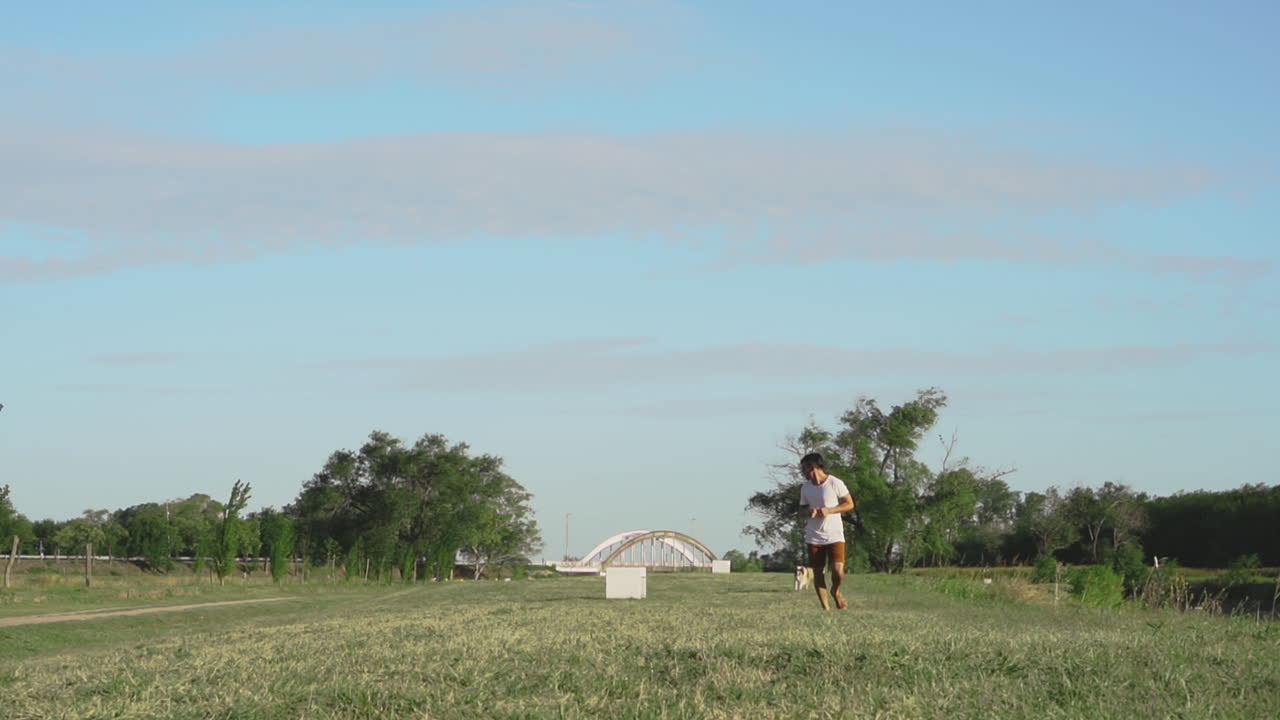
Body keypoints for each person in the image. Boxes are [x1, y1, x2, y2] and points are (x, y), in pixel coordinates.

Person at [798, 452, 855, 610]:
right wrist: (809, 512)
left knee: (838, 570)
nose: (802, 471)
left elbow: (849, 504)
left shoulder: (835, 483)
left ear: (813, 467)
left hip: (834, 535)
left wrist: (829, 510)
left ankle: (835, 591)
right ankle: (826, 610)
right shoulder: (805, 488)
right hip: (814, 536)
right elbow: (801, 511)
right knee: (818, 573)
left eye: (804, 467)